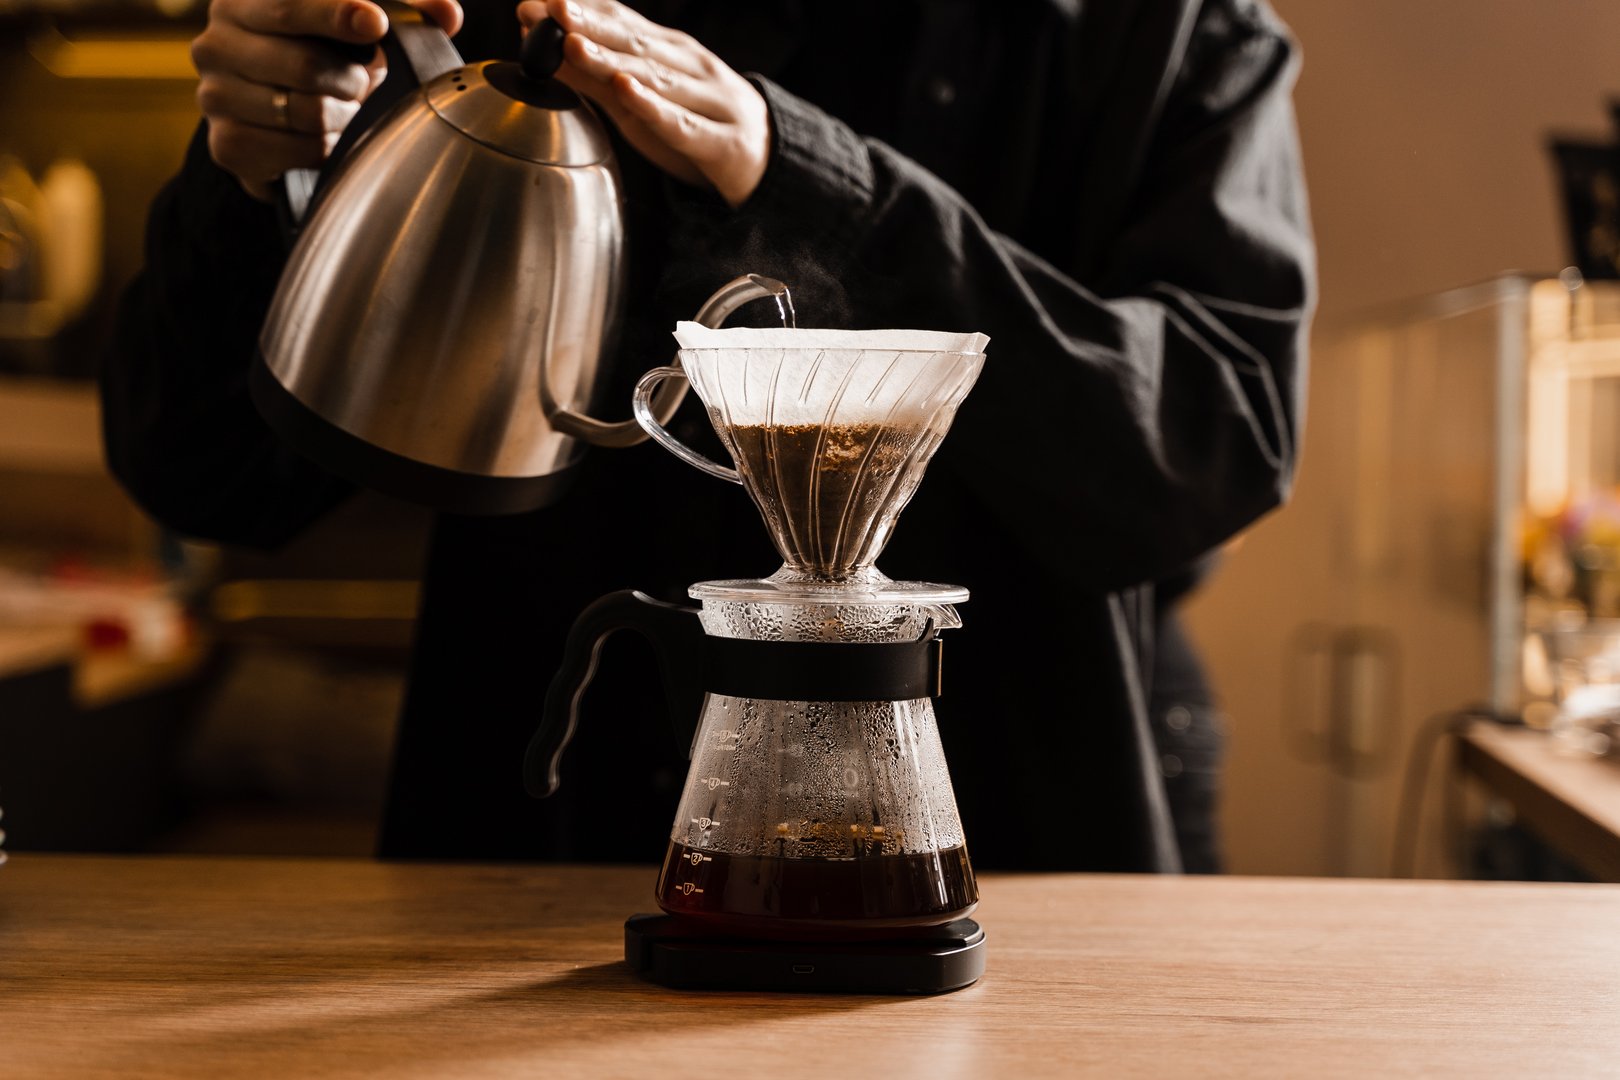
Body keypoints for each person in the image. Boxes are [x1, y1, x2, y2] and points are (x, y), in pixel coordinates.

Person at [102, 0, 1314, 872]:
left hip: (1021, 828)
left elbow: (1211, 444)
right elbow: (209, 473)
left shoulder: (1176, 36)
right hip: (545, 828)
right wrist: (252, 175)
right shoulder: (502, 21)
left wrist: (815, 189)